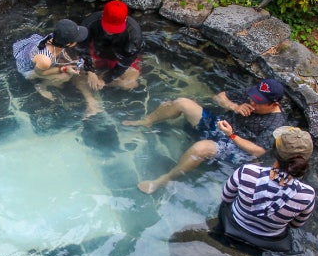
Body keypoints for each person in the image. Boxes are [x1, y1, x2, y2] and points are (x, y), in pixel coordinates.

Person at [122, 78, 288, 194]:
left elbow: (258, 151)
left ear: (274, 104)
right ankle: (147, 121)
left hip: (237, 146)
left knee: (200, 149)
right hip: (221, 125)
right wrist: (234, 107)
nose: (252, 102)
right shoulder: (254, 95)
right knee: (182, 103)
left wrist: (231, 135)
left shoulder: (277, 123)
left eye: (258, 102)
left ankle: (163, 180)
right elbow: (218, 97)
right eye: (252, 98)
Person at [218, 126, 316, 252]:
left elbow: (226, 198)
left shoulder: (247, 172)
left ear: (274, 151)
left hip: (234, 224)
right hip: (269, 239)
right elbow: (296, 225)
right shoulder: (307, 194)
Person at [13, 19, 102, 116]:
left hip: (30, 47)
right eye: (77, 39)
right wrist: (64, 69)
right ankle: (41, 86)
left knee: (76, 63)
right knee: (65, 76)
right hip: (30, 69)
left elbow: (63, 52)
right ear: (69, 44)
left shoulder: (56, 37)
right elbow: (39, 72)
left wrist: (72, 62)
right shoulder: (45, 60)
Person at [80, 0, 143, 91]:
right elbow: (81, 46)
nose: (110, 31)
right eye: (108, 27)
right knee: (76, 71)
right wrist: (89, 69)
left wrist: (105, 80)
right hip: (96, 54)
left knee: (130, 83)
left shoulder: (134, 34)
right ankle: (90, 94)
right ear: (102, 16)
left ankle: (99, 82)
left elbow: (126, 61)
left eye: (115, 28)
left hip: (120, 57)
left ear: (125, 20)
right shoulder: (90, 22)